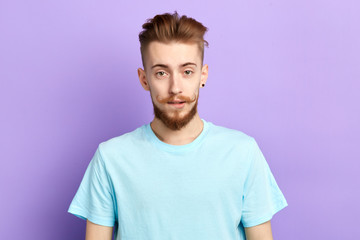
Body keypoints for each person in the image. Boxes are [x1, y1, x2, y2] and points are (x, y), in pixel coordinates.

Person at [68, 11, 288, 240]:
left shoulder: (243, 153)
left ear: (203, 76)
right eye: (161, 73)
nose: (175, 87)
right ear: (144, 79)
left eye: (187, 71)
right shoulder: (110, 158)